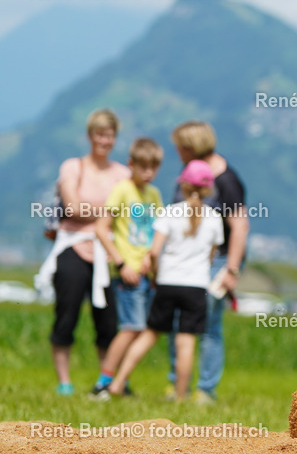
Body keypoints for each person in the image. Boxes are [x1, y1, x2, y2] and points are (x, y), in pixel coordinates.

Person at [108, 160, 224, 399]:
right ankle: (181, 395)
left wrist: (155, 275)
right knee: (186, 341)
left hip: (168, 282)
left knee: (150, 334)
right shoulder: (214, 218)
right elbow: (212, 255)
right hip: (196, 286)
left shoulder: (170, 212)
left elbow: (154, 251)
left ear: (182, 184)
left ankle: (117, 383)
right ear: (209, 189)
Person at [37, 109, 131, 395]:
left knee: (108, 322)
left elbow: (127, 213)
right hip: (72, 247)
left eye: (110, 135)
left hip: (109, 252)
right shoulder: (73, 167)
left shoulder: (122, 173)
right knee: (66, 316)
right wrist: (108, 212)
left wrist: (94, 213)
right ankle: (64, 382)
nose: (105, 140)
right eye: (100, 134)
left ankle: (107, 380)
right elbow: (73, 207)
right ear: (90, 136)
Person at [166, 120, 249, 403]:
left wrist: (231, 270)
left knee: (210, 325)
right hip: (184, 262)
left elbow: (239, 226)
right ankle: (177, 384)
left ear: (192, 147)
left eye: (180, 146)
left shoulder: (226, 180)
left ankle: (205, 389)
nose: (176, 151)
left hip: (218, 261)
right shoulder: (187, 173)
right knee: (179, 322)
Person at [90, 137, 164, 398]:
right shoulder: (122, 190)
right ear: (130, 164)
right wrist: (121, 262)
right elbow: (101, 228)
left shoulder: (154, 194)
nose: (148, 173)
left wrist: (152, 260)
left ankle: (120, 381)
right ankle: (103, 381)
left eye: (154, 167)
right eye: (143, 167)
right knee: (131, 328)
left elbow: (157, 232)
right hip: (127, 274)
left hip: (147, 273)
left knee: (141, 329)